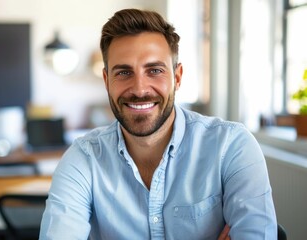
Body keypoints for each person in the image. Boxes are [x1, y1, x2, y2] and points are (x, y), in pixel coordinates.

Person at [39, 8, 277, 239]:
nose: (140, 89)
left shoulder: (232, 147)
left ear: (178, 77)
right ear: (106, 80)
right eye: (123, 73)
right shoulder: (83, 159)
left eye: (154, 70)